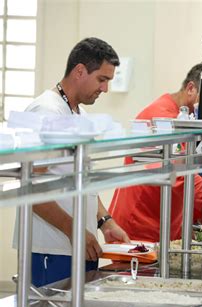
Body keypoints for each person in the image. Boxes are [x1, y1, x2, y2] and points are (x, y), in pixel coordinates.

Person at [18, 37, 130, 287]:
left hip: (80, 244)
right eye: (102, 79)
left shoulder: (79, 113)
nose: (105, 89)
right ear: (80, 71)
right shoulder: (46, 111)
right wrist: (75, 230)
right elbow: (31, 188)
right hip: (52, 248)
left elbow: (83, 180)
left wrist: (105, 222)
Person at [109, 62, 202, 243]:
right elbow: (181, 174)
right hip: (140, 223)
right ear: (191, 88)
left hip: (165, 220)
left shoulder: (187, 118)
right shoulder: (163, 118)